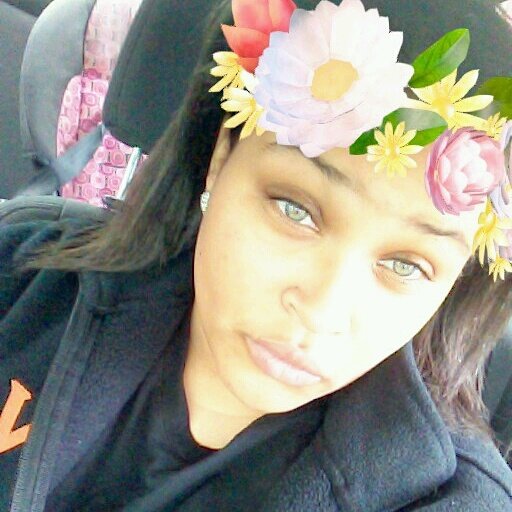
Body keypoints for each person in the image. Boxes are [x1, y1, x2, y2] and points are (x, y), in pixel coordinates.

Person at [1, 0, 512, 510]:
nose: (322, 312)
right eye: (295, 210)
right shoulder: (23, 274)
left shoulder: (443, 498)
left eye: (406, 266)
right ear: (220, 158)